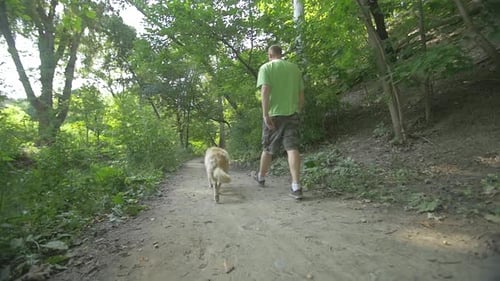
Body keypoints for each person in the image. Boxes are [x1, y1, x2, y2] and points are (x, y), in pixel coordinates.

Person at [254, 45, 305, 199]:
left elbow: (265, 90)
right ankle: (296, 186)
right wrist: (299, 110)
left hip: (274, 115)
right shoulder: (294, 68)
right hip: (292, 113)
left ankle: (261, 177)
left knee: (268, 148)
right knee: (292, 148)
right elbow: (301, 93)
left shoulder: (266, 68)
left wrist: (265, 114)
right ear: (281, 54)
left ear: (270, 55)